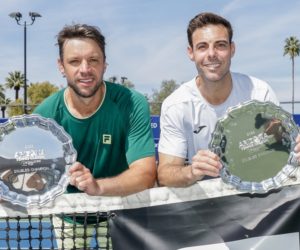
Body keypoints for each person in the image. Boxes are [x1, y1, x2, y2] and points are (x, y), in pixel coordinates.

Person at [34, 23, 156, 248]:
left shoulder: (132, 103)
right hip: (69, 215)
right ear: (61, 66)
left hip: (122, 211)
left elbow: (145, 174)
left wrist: (98, 187)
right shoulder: (44, 115)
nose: (85, 69)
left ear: (104, 64)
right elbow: (31, 177)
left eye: (93, 60)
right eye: (74, 61)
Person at [157, 12, 300, 187]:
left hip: (261, 195)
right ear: (191, 53)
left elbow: (284, 148)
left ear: (232, 49)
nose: (212, 54)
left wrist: (294, 148)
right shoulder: (176, 105)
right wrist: (192, 171)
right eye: (202, 46)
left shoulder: (259, 92)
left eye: (220, 45)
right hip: (209, 203)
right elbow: (165, 173)